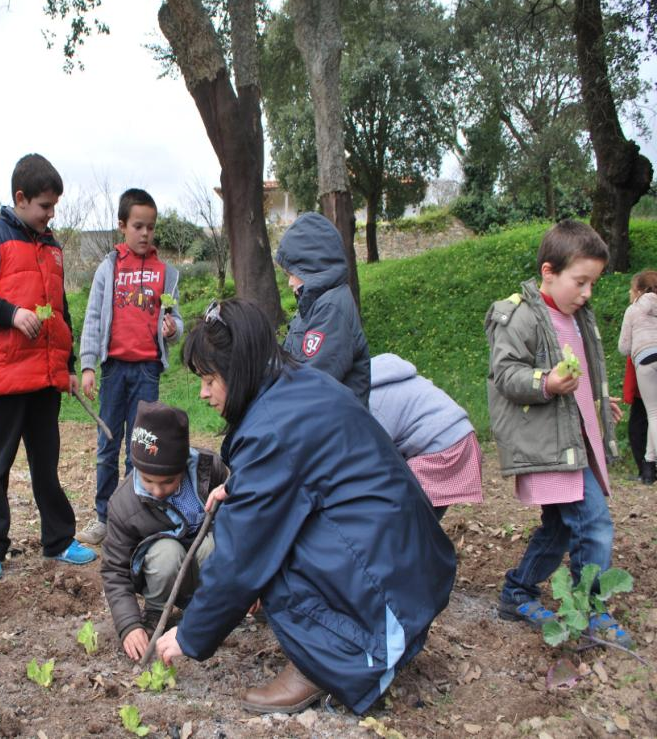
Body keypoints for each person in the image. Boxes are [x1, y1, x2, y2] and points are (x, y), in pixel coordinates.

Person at [155, 298, 456, 715]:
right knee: (257, 524)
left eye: (210, 379)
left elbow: (242, 557)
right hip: (407, 569)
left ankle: (330, 662)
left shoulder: (273, 427)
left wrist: (189, 635)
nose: (204, 393)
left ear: (238, 369)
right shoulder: (295, 386)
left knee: (263, 549)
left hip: (387, 596)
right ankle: (346, 641)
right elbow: (308, 466)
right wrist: (240, 485)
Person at [486, 219, 630, 648]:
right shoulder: (521, 315)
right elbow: (506, 373)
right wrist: (545, 383)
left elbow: (582, 377)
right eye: (580, 282)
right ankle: (590, 613)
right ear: (549, 271)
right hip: (548, 445)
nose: (587, 293)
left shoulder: (577, 316)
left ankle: (517, 592)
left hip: (576, 443)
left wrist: (601, 405)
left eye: (593, 284)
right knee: (594, 523)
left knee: (560, 528)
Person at [0, 153, 96, 581]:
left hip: (46, 378)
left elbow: (61, 312)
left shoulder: (52, 246)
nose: (50, 214)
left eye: (54, 206)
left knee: (47, 464)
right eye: (44, 206)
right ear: (20, 198)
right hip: (7, 377)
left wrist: (68, 366)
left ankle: (57, 540)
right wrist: (12, 313)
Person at [76, 189, 183, 545]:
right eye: (138, 226)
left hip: (147, 371)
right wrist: (88, 365)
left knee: (139, 448)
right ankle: (104, 516)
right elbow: (93, 317)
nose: (145, 234)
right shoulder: (109, 267)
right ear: (122, 226)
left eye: (151, 227)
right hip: (114, 370)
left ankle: (132, 517)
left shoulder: (165, 274)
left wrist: (172, 330)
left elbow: (175, 323)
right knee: (108, 443)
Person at [101, 400, 227, 661]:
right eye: (148, 481)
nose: (157, 491)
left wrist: (249, 585)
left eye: (168, 482)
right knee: (165, 551)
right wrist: (129, 625)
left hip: (208, 575)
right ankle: (158, 613)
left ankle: (212, 609)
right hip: (161, 576)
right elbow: (115, 570)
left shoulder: (210, 471)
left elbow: (244, 524)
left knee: (213, 544)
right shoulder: (124, 504)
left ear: (184, 465)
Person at [369, 353, 483, 519]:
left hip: (442, 450)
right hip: (462, 438)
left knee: (404, 522)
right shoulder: (395, 379)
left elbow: (374, 455)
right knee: (418, 522)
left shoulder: (371, 400)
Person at [275, 212, 370, 407]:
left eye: (293, 273)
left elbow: (312, 385)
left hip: (335, 431)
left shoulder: (332, 307)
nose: (290, 282)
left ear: (312, 266)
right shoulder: (314, 305)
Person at [618, 270, 657, 485]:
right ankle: (649, 469)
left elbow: (624, 347)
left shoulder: (633, 310)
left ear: (639, 290)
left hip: (645, 359)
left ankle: (650, 467)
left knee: (653, 414)